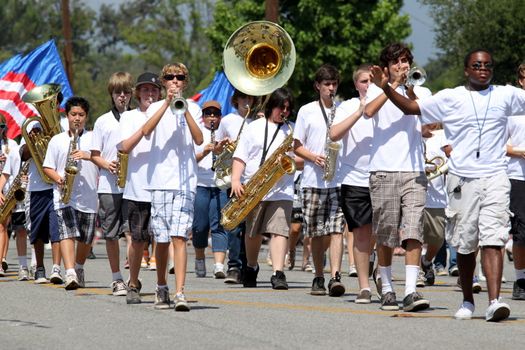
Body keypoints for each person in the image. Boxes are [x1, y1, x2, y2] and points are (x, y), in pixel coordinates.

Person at [369, 48, 523, 322]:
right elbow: (412, 108)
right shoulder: (451, 97)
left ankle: (495, 301)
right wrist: (387, 87)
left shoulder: (506, 95)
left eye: (487, 65)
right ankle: (467, 300)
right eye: (476, 65)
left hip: (496, 176)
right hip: (462, 179)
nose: (482, 69)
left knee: (494, 238)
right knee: (464, 243)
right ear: (467, 70)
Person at [364, 43, 431, 312]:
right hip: (384, 169)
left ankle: (411, 291)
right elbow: (368, 112)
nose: (402, 66)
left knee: (414, 229)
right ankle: (388, 287)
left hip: (414, 170)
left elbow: (417, 110)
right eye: (396, 62)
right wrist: (386, 86)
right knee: (386, 233)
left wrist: (405, 86)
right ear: (388, 66)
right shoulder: (375, 87)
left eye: (405, 61)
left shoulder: (420, 88)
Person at [142, 62, 203, 311]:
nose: (175, 81)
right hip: (160, 181)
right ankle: (161, 286)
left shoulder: (195, 107)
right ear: (163, 82)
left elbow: (199, 139)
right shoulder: (156, 106)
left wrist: (184, 109)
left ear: (185, 82)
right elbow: (146, 131)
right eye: (170, 77)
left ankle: (180, 292)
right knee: (163, 237)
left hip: (185, 181)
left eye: (179, 78)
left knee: (180, 236)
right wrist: (167, 103)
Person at [231, 87, 295, 290]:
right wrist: (235, 180)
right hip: (254, 186)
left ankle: (278, 272)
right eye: (280, 107)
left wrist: (290, 159)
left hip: (281, 189)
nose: (284, 112)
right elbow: (240, 156)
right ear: (271, 107)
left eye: (287, 108)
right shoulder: (254, 127)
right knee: (253, 233)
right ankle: (251, 266)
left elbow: (300, 159)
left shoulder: (292, 130)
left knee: (279, 231)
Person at [293, 64, 346, 297]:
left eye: (334, 84)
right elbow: (296, 146)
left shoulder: (342, 109)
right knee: (315, 232)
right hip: (313, 180)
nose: (331, 88)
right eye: (327, 84)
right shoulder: (306, 110)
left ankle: (335, 276)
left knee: (336, 230)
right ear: (318, 86)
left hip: (337, 179)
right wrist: (314, 157)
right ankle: (318, 275)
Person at [330, 63, 375, 303]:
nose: (368, 85)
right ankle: (364, 286)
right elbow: (334, 134)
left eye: (372, 81)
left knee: (379, 233)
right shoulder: (346, 106)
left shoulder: (385, 103)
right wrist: (359, 111)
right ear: (356, 84)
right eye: (364, 81)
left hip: (381, 175)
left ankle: (373, 262)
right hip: (353, 177)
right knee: (360, 233)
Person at [43, 96, 98, 290]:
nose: (77, 118)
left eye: (81, 115)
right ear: (66, 116)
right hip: (64, 195)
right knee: (67, 233)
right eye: (73, 114)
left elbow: (103, 161)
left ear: (86, 117)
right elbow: (47, 167)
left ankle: (79, 267)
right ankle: (70, 272)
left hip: (89, 196)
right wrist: (58, 178)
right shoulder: (57, 140)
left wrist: (88, 155)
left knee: (85, 238)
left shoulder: (93, 138)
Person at [117, 72, 162, 304]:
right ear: (137, 94)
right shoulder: (129, 117)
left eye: (154, 90)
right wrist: (147, 125)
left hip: (164, 186)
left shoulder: (168, 113)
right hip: (138, 188)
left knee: (163, 239)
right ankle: (133, 282)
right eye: (145, 90)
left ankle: (162, 285)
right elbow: (124, 146)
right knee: (137, 239)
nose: (150, 94)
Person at [90, 72, 133, 296]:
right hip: (109, 185)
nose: (122, 97)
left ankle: (133, 277)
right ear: (112, 95)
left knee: (134, 232)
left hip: (134, 185)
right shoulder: (102, 121)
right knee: (110, 233)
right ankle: (116, 278)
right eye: (118, 93)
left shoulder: (137, 117)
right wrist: (107, 165)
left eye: (126, 92)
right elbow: (94, 154)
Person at [214, 89, 255, 284]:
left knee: (252, 225)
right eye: (244, 98)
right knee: (234, 224)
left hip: (254, 177)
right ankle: (234, 266)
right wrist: (223, 145)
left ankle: (249, 265)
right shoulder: (228, 120)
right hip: (234, 176)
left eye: (250, 98)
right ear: (236, 100)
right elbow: (217, 148)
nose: (247, 102)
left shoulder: (259, 121)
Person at [192, 100, 228, 279]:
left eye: (215, 114)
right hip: (200, 183)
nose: (212, 117)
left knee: (219, 224)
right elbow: (190, 160)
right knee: (199, 226)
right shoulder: (197, 134)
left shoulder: (225, 132)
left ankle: (219, 265)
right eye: (208, 114)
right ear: (203, 117)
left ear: (220, 117)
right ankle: (199, 259)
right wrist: (206, 151)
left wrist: (223, 150)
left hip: (220, 185)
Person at [419, 123, 447, 287]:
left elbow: (451, 158)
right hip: (414, 192)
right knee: (413, 236)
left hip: (436, 196)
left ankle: (427, 260)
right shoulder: (410, 134)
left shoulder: (442, 136)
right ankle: (416, 274)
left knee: (437, 237)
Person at [506, 62, 525, 301]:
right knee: (522, 233)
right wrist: (520, 152)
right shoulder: (512, 111)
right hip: (518, 176)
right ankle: (520, 279)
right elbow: (498, 144)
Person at [0, 116, 24, 277]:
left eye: (1, 126)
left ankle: (1, 259)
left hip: (7, 191)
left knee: (3, 226)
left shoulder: (12, 145)